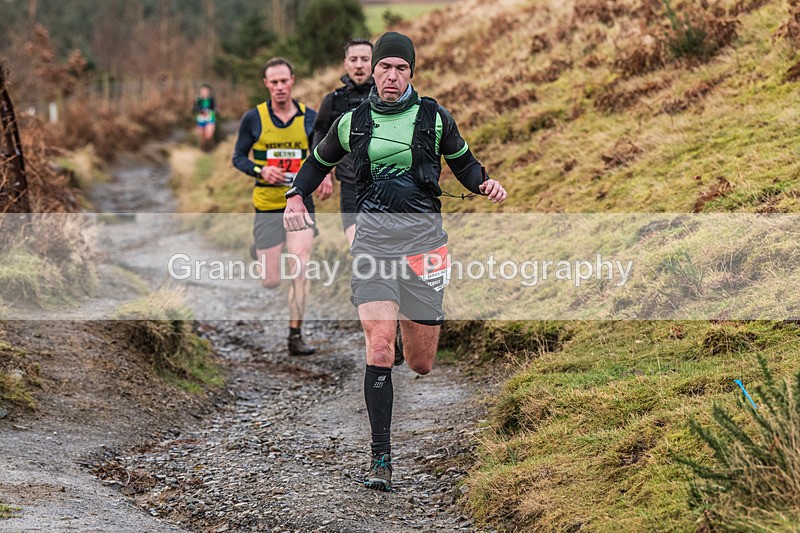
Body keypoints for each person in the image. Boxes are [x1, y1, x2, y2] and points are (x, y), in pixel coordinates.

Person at [283, 32, 507, 491]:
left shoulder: (434, 118)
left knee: (421, 364)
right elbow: (317, 162)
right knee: (379, 346)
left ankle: (408, 333)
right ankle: (380, 458)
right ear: (372, 72)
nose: (389, 75)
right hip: (374, 246)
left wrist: (484, 182)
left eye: (399, 68)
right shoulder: (353, 121)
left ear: (410, 73)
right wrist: (295, 195)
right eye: (383, 67)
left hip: (425, 245)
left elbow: (464, 164)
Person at [232, 57, 332, 356]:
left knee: (300, 266)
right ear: (266, 84)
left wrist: (326, 175)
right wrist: (260, 169)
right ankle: (261, 253)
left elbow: (325, 154)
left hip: (300, 205)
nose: (279, 87)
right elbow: (238, 157)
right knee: (271, 281)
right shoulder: (253, 118)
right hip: (267, 205)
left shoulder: (311, 118)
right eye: (273, 82)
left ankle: (295, 335)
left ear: (292, 81)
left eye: (283, 81)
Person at [311, 38, 375, 246]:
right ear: (345, 64)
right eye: (353, 59)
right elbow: (320, 134)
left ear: (374, 64)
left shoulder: (387, 97)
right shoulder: (333, 100)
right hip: (351, 185)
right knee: (359, 248)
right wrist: (323, 174)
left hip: (387, 185)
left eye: (365, 59)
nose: (359, 65)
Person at [193, 84, 217, 151]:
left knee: (208, 136)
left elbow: (214, 108)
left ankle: (210, 148)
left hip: (210, 118)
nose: (205, 92)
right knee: (201, 136)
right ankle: (202, 149)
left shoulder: (212, 99)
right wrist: (200, 110)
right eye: (203, 91)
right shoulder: (197, 99)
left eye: (206, 91)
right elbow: (194, 109)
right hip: (200, 119)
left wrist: (214, 111)